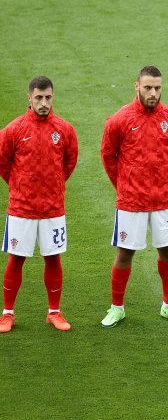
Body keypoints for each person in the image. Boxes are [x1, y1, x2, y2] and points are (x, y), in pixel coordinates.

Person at [100, 66, 168, 327]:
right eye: (148, 87)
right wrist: (125, 185)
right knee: (125, 253)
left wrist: (159, 177)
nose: (153, 93)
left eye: (157, 88)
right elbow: (108, 156)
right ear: (136, 86)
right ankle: (116, 307)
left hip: (164, 199)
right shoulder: (119, 119)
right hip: (132, 201)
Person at [0, 77, 78, 333]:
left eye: (48, 98)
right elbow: (3, 162)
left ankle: (54, 312)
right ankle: (7, 314)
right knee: (16, 258)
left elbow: (69, 161)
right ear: (29, 99)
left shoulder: (64, 130)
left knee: (53, 258)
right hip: (22, 208)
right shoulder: (14, 129)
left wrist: (53, 185)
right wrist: (19, 185)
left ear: (53, 97)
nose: (43, 103)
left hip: (52, 208)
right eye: (38, 98)